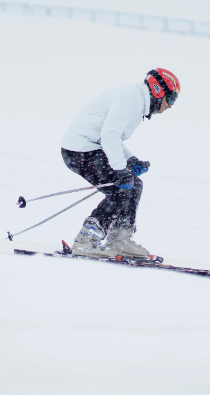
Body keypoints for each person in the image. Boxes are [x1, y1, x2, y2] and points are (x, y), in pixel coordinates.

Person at [60, 68, 180, 259]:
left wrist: (130, 160)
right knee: (120, 189)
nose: (171, 105)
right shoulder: (131, 99)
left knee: (134, 185)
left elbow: (110, 136)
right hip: (79, 150)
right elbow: (109, 135)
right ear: (158, 91)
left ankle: (120, 239)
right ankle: (85, 240)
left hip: (89, 148)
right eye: (171, 98)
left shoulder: (137, 102)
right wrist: (119, 169)